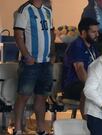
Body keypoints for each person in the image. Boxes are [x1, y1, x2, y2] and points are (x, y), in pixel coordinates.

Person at [13, 0, 55, 134]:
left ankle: (41, 128)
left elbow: (52, 33)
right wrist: (26, 56)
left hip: (46, 62)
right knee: (23, 96)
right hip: (31, 63)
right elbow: (18, 35)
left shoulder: (47, 11)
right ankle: (18, 129)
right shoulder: (24, 9)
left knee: (42, 96)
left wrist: (52, 53)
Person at [62, 17, 99, 119]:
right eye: (93, 32)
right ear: (83, 33)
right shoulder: (77, 45)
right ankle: (87, 120)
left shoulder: (92, 46)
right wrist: (92, 85)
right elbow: (79, 69)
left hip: (87, 82)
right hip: (73, 85)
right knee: (87, 90)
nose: (97, 35)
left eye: (97, 32)